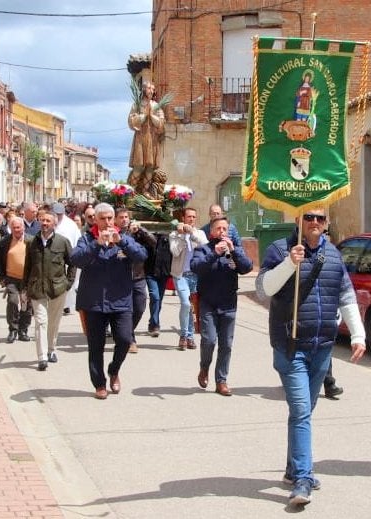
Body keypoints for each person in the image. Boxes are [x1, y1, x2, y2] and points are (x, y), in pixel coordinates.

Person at [257, 207, 365, 506]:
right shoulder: (280, 249)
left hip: (323, 346)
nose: (315, 222)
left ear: (327, 222)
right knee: (302, 410)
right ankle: (303, 478)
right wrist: (290, 264)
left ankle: (293, 469)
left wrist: (357, 334)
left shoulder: (333, 255)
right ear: (298, 220)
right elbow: (264, 288)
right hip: (290, 345)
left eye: (320, 218)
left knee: (303, 411)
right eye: (309, 217)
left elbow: (344, 294)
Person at [71, 202, 147, 399]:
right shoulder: (87, 238)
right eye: (102, 218)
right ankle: (99, 384)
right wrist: (96, 243)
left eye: (110, 218)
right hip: (94, 302)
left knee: (124, 339)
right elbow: (76, 259)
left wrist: (121, 241)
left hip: (120, 300)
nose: (107, 222)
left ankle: (114, 369)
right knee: (95, 346)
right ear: (95, 219)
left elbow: (141, 255)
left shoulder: (125, 238)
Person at [190, 216, 253, 396]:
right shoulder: (203, 249)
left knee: (226, 344)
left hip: (229, 304)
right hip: (208, 302)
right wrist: (214, 254)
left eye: (225, 229)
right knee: (209, 341)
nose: (222, 232)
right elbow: (195, 267)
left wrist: (235, 252)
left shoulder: (234, 250)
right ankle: (204, 368)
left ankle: (221, 381)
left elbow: (247, 268)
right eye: (218, 229)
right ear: (211, 231)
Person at [24, 212, 77, 371]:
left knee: (53, 323)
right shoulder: (32, 242)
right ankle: (42, 357)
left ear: (54, 224)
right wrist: (24, 288)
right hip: (37, 288)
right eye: (42, 220)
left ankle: (51, 349)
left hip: (57, 288)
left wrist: (68, 283)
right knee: (41, 321)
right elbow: (27, 266)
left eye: (48, 221)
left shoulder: (62, 242)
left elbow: (72, 264)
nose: (45, 223)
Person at [169, 207, 207, 350]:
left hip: (196, 275)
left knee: (191, 307)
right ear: (183, 218)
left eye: (194, 217)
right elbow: (175, 251)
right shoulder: (174, 234)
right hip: (181, 275)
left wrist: (192, 235)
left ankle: (190, 337)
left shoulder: (200, 233)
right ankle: (184, 335)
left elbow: (205, 246)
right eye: (189, 217)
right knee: (185, 304)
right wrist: (181, 237)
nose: (191, 219)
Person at [0, 217, 33, 343]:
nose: (17, 230)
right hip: (11, 279)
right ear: (10, 228)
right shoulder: (4, 242)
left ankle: (23, 330)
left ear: (23, 227)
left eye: (19, 227)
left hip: (27, 280)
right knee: (12, 301)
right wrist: (1, 278)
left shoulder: (31, 241)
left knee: (26, 306)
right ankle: (13, 329)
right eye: (14, 227)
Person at [127, 77, 166, 198]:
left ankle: (145, 191)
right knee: (139, 165)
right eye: (149, 88)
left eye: (153, 89)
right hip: (140, 137)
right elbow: (131, 121)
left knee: (150, 166)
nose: (152, 91)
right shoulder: (137, 105)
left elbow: (161, 123)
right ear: (144, 90)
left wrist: (151, 115)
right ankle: (131, 191)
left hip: (152, 138)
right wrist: (144, 115)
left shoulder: (156, 106)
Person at [116, 208, 147, 354]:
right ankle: (130, 339)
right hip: (122, 277)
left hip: (138, 275)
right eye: (121, 217)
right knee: (127, 310)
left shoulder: (137, 232)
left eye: (126, 217)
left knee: (140, 307)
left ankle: (126, 332)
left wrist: (142, 231)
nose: (124, 220)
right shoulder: (115, 234)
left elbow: (152, 244)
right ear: (116, 219)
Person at [52, 202, 81, 316]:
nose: (58, 216)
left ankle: (66, 305)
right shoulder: (50, 221)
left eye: (60, 214)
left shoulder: (71, 225)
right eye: (56, 214)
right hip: (54, 258)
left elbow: (77, 240)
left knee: (69, 283)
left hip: (68, 257)